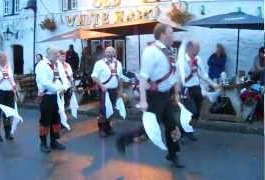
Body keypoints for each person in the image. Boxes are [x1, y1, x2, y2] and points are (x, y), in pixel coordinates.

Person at [116, 24, 184, 168]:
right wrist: (143, 100)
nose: (174, 36)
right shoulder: (150, 51)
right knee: (148, 130)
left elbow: (173, 74)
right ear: (162, 34)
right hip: (154, 97)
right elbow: (142, 78)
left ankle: (173, 154)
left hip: (165, 95)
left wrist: (176, 93)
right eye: (171, 33)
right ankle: (123, 139)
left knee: (172, 125)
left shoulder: (169, 51)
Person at [180, 41, 220, 141]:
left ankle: (189, 131)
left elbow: (204, 74)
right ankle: (182, 133)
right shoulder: (182, 60)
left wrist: (212, 84)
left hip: (196, 87)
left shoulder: (198, 59)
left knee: (197, 113)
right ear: (189, 48)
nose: (198, 51)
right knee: (190, 112)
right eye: (196, 49)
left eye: (198, 49)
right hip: (186, 89)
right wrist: (190, 74)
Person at [35, 46, 67, 153]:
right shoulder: (41, 65)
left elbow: (63, 77)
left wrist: (64, 87)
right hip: (46, 96)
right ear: (49, 54)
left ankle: (54, 142)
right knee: (45, 121)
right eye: (55, 54)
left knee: (56, 120)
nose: (58, 56)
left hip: (56, 96)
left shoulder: (57, 64)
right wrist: (59, 88)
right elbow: (44, 82)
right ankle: (43, 144)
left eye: (58, 54)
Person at [91, 46, 124, 137]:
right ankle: (101, 128)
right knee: (103, 110)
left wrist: (120, 89)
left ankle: (108, 127)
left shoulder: (119, 63)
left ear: (114, 53)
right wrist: (101, 86)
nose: (109, 53)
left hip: (114, 90)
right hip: (104, 90)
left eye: (111, 52)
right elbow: (94, 77)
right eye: (107, 52)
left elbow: (120, 78)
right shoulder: (99, 63)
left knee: (111, 109)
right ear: (104, 53)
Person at [0, 52, 17, 142]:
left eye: (6, 57)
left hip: (9, 94)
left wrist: (15, 94)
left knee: (7, 114)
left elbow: (12, 82)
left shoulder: (9, 69)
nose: (5, 59)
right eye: (3, 58)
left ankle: (7, 133)